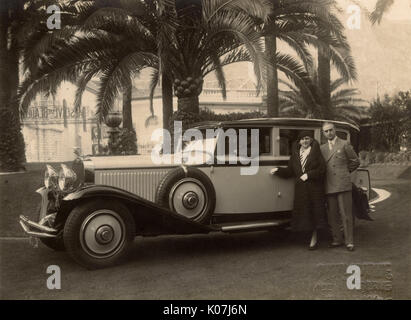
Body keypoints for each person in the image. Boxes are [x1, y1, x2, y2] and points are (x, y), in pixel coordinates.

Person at [271, 131, 327, 250]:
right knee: (305, 213)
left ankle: (314, 238)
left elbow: (322, 169)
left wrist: (309, 175)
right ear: (299, 141)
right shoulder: (296, 154)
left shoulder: (316, 152)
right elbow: (290, 171)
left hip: (314, 188)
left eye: (307, 138)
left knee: (314, 213)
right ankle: (307, 236)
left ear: (311, 140)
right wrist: (278, 170)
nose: (305, 141)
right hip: (301, 189)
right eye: (302, 139)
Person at [320, 122, 360, 251]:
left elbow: (355, 161)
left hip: (343, 184)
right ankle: (337, 239)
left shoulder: (344, 144)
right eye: (326, 131)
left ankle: (349, 241)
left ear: (335, 130)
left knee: (346, 214)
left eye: (331, 130)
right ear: (323, 133)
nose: (329, 133)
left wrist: (344, 173)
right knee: (333, 215)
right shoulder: (323, 148)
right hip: (329, 184)